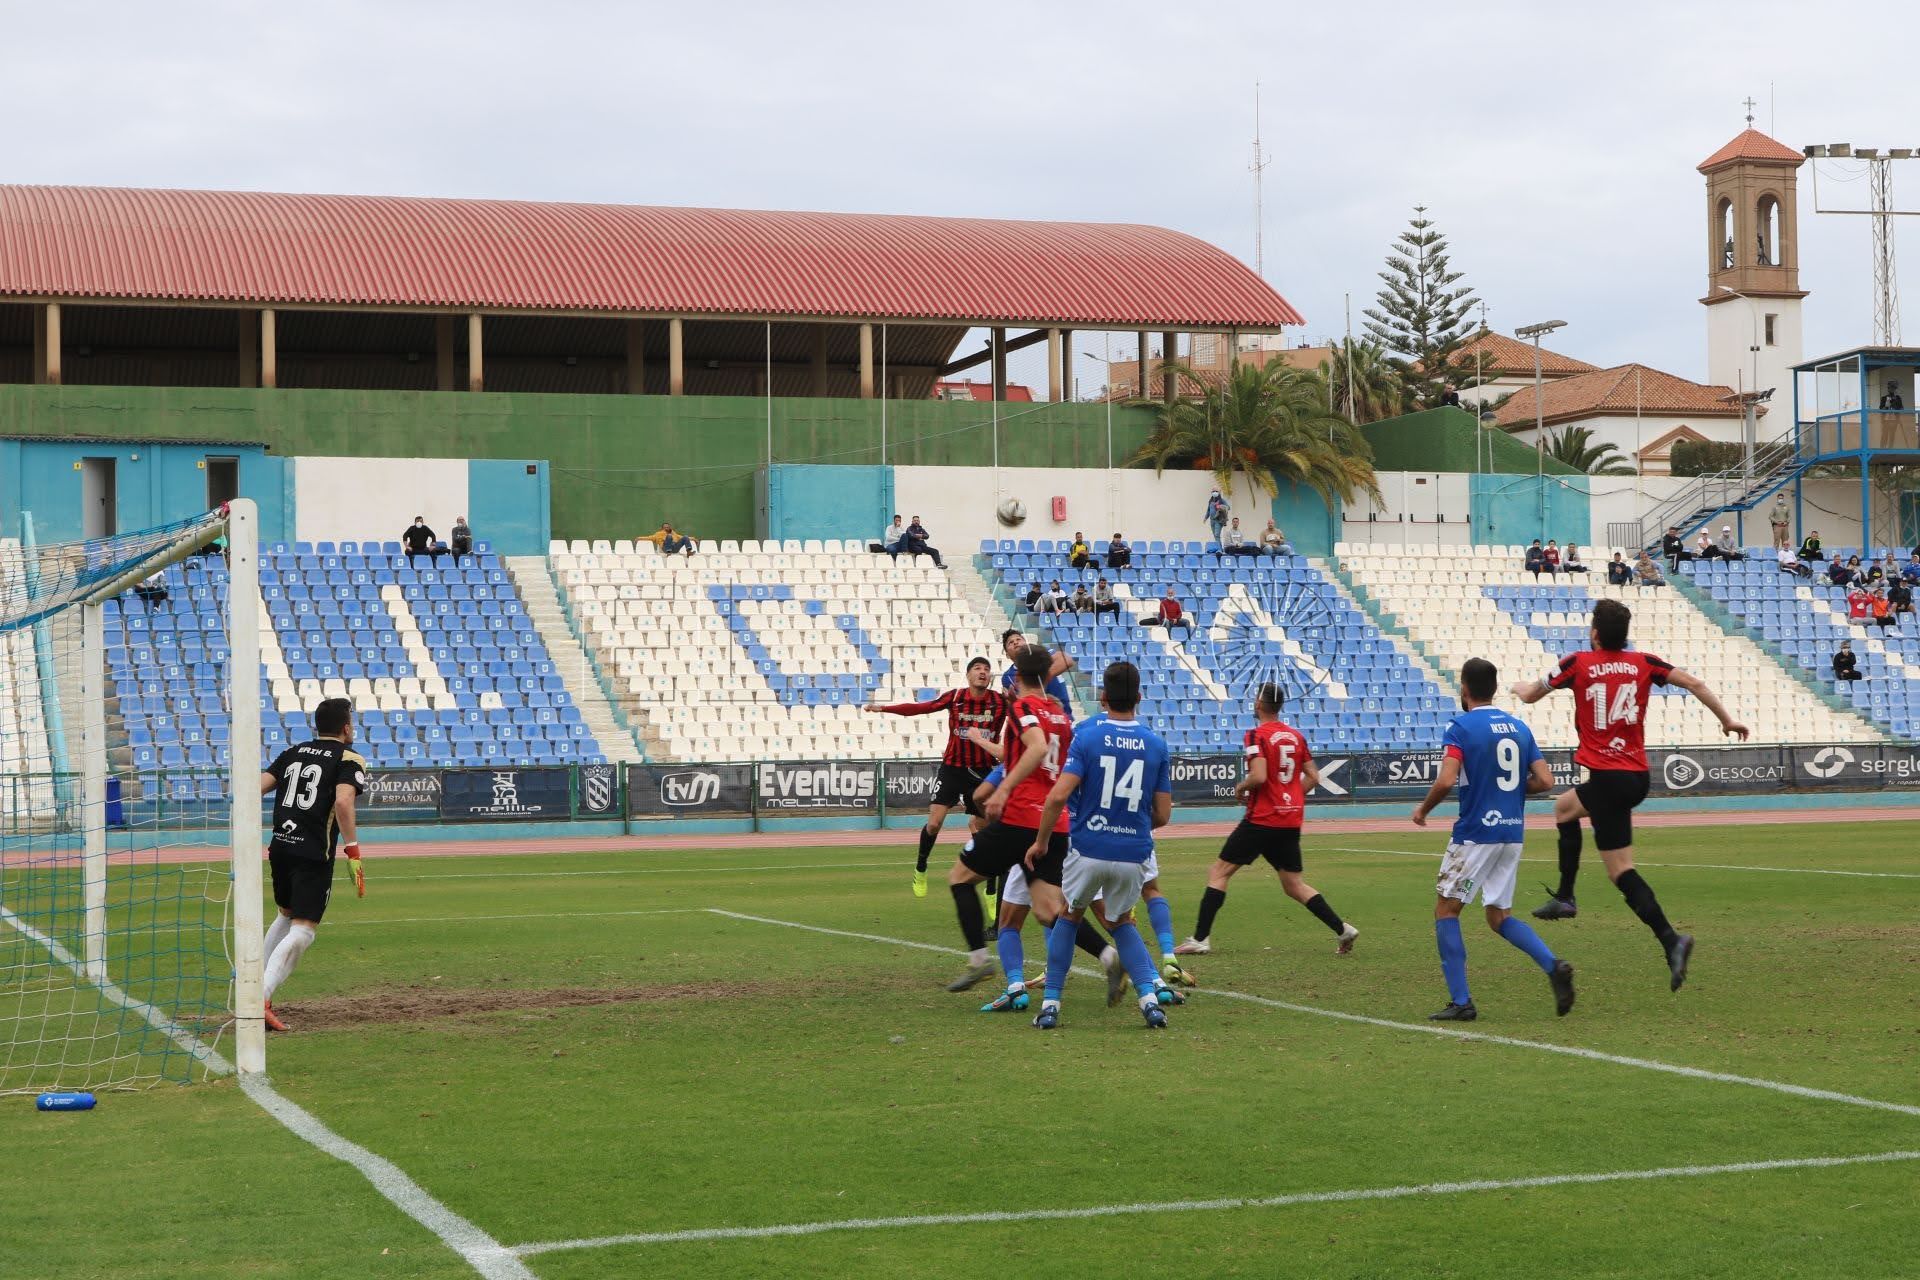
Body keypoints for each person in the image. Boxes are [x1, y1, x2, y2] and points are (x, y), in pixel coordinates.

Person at [1513, 598, 1748, 991]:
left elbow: (1533, 694)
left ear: (1594, 633)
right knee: (1576, 821)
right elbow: (1695, 683)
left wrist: (1521, 689)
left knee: (1609, 858)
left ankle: (1593, 908)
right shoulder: (1643, 662)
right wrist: (1727, 720)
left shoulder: (1578, 663)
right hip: (1636, 776)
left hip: (1607, 777)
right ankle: (1585, 904)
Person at [1410, 658, 1573, 1022]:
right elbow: (1546, 782)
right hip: (1512, 831)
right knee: (1498, 915)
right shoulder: (1518, 728)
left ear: (1464, 689)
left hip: (1475, 833)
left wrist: (1423, 810)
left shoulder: (1460, 728)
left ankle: (1461, 1001)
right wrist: (1511, 793)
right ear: (1495, 689)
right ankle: (1552, 965)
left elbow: (1447, 779)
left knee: (1446, 910)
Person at [1026, 661, 1175, 1031]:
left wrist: (1042, 842)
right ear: (1139, 697)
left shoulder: (1088, 738)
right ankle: (1150, 1002)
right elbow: (1163, 814)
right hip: (1134, 852)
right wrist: (1134, 826)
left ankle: (1050, 1006)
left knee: (1069, 914)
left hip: (1089, 846)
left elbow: (1058, 796)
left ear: (1103, 697)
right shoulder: (1157, 744)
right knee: (1121, 921)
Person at [1174, 682, 1359, 957]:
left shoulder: (1255, 736)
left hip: (1262, 818)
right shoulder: (1296, 736)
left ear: (1259, 704)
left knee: (1219, 872)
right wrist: (1292, 797)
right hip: (1289, 819)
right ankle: (1342, 928)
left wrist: (1241, 787)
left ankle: (1200, 939)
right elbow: (1314, 777)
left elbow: (1259, 777)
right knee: (1294, 885)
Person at [943, 645, 1079, 991]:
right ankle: (1114, 959)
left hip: (1022, 817)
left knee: (975, 889)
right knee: (1055, 910)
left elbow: (1024, 753)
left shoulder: (1023, 709)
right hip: (1061, 823)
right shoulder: (1061, 716)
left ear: (1016, 678)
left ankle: (1001, 975)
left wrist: (1000, 790)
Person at [255, 697, 368, 1032]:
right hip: (313, 851)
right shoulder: (349, 758)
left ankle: (252, 990)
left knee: (285, 914)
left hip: (281, 846)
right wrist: (353, 850)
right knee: (303, 930)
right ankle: (257, 998)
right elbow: (344, 800)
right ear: (346, 727)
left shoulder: (294, 751)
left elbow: (255, 788)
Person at [865, 658, 1008, 898]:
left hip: (982, 771)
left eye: (986, 669)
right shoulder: (955, 698)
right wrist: (885, 708)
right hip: (952, 769)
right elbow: (922, 708)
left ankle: (992, 892)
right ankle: (921, 867)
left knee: (986, 832)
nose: (982, 672)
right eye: (977, 668)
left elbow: (1026, 711)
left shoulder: (1000, 702)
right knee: (934, 823)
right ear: (968, 674)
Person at [999, 629, 1076, 725]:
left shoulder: (1041, 653)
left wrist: (1040, 679)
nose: (1015, 642)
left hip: (1063, 718)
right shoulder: (1007, 677)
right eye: (1010, 642)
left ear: (1026, 643)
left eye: (1018, 639)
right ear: (1007, 654)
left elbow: (1067, 660)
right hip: (1038, 723)